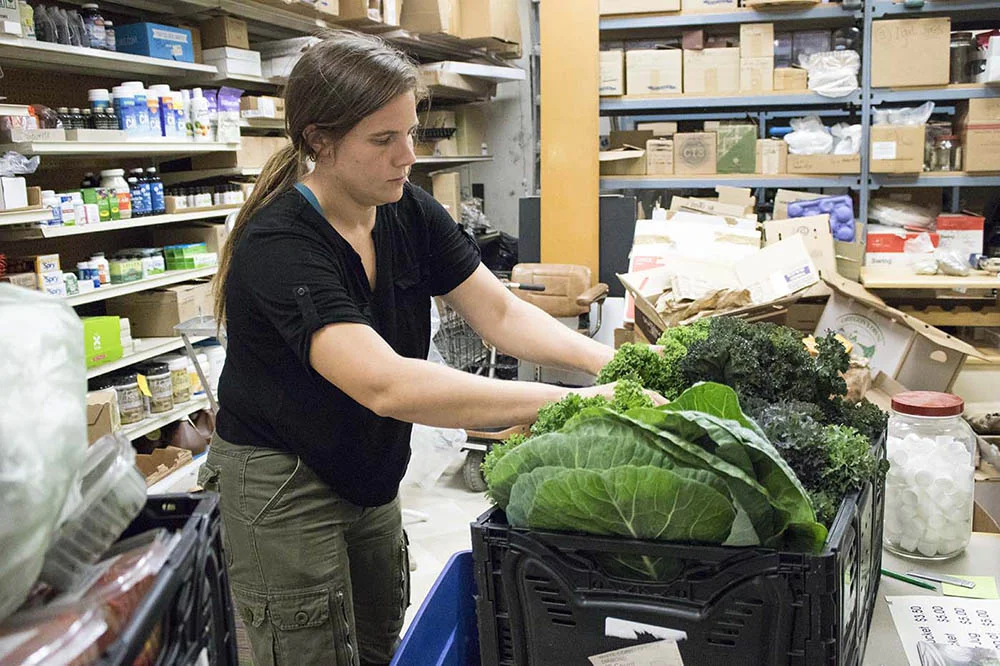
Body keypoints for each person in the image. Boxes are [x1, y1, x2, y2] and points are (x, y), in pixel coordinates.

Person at [200, 31, 659, 666]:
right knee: (308, 652)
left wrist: (615, 363)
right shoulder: (280, 244)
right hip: (284, 477)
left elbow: (497, 310)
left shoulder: (404, 208)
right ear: (318, 142)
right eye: (382, 140)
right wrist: (571, 402)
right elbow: (386, 385)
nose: (407, 155)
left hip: (368, 466)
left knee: (379, 639)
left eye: (411, 133)